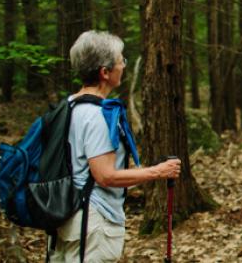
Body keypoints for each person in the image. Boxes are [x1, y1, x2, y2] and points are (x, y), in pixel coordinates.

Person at [50, 30, 181, 262]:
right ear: (105, 72)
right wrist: (159, 172)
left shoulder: (69, 106)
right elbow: (105, 176)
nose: (123, 66)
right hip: (93, 224)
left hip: (64, 217)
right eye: (121, 61)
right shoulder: (98, 115)